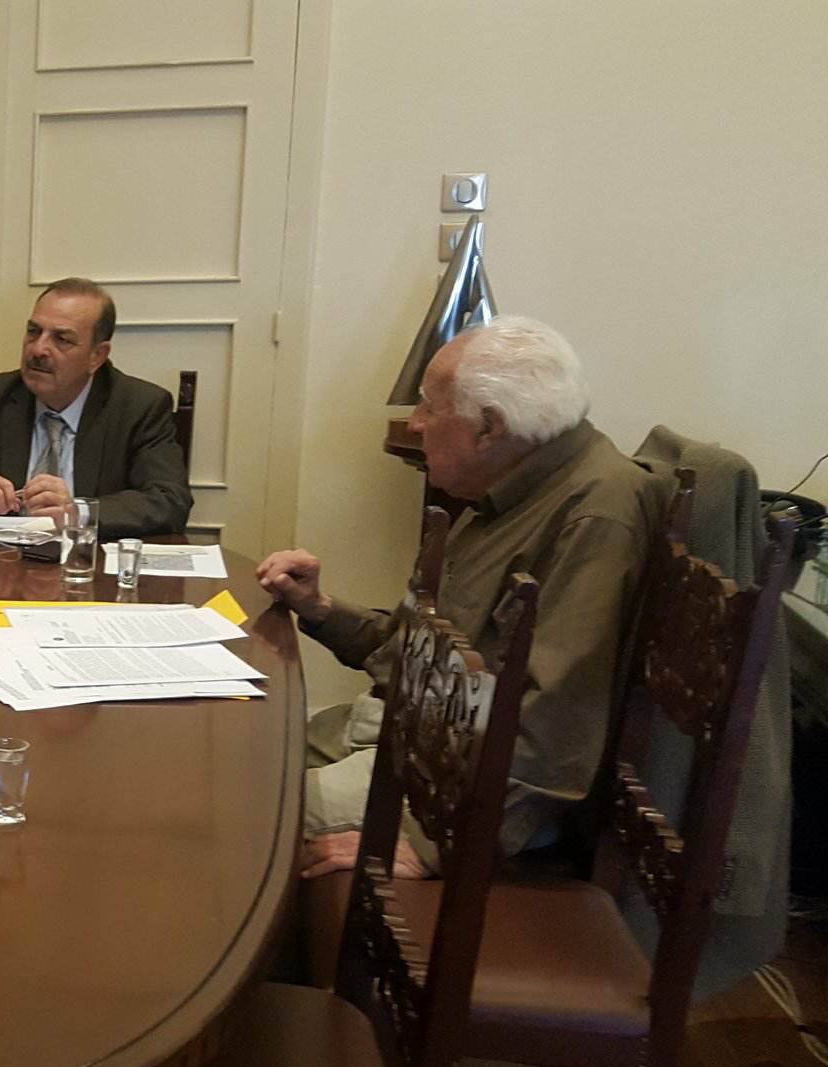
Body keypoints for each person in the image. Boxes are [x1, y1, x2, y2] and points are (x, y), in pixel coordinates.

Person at [256, 317, 666, 880]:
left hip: (458, 792)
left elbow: (553, 734)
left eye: (429, 405)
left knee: (246, 809)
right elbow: (420, 645)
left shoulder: (596, 514)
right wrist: (321, 608)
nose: (415, 423)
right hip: (415, 735)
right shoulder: (513, 487)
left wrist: (432, 845)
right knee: (241, 755)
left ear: (489, 427)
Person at [0, 278, 192, 537]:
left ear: (97, 355)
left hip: (86, 564)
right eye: (34, 332)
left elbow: (169, 501)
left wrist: (78, 512)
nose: (38, 349)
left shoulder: (139, 406)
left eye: (62, 339)